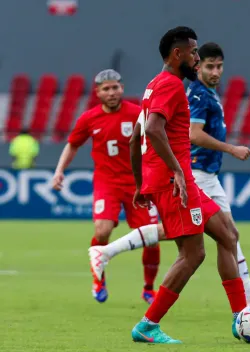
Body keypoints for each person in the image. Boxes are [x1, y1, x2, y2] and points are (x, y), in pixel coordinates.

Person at [89, 42, 250, 307]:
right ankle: (112, 258)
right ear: (195, 64)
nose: (215, 71)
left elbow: (137, 137)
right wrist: (230, 149)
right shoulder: (194, 94)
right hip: (194, 172)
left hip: (206, 174)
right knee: (193, 246)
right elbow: (189, 133)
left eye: (219, 66)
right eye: (207, 65)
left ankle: (246, 296)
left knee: (225, 235)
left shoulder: (199, 92)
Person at [91, 27, 246, 344]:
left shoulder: (152, 87)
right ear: (178, 54)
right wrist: (175, 171)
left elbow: (136, 139)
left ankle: (241, 317)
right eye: (194, 52)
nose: (197, 58)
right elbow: (152, 128)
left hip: (173, 180)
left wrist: (139, 184)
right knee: (192, 255)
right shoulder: (171, 86)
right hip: (175, 183)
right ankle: (148, 325)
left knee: (228, 235)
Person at [52, 69, 161, 304]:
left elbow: (156, 140)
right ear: (98, 92)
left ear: (122, 88)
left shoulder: (137, 113)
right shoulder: (89, 118)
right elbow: (72, 145)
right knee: (102, 231)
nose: (111, 93)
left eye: (115, 87)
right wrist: (60, 171)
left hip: (138, 184)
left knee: (151, 237)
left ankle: (149, 288)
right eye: (106, 89)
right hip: (107, 183)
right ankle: (98, 278)